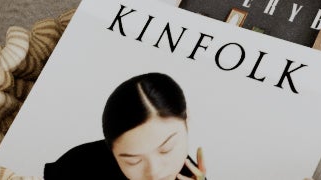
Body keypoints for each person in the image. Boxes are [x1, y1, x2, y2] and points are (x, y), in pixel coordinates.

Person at [43, 74, 202, 180]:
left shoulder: (192, 175)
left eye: (166, 149)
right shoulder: (76, 167)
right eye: (134, 161)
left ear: (187, 121)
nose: (154, 172)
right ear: (112, 151)